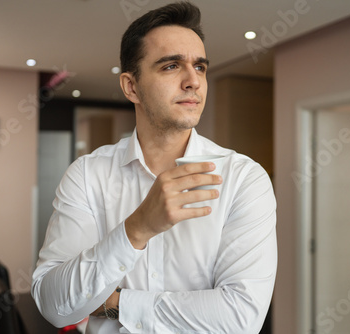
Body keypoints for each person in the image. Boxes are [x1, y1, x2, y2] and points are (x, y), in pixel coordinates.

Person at [32, 2, 277, 333]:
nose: (194, 81)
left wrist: (117, 304)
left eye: (200, 67)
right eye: (172, 66)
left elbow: (240, 318)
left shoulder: (244, 179)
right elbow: (54, 306)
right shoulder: (88, 175)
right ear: (131, 87)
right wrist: (137, 229)